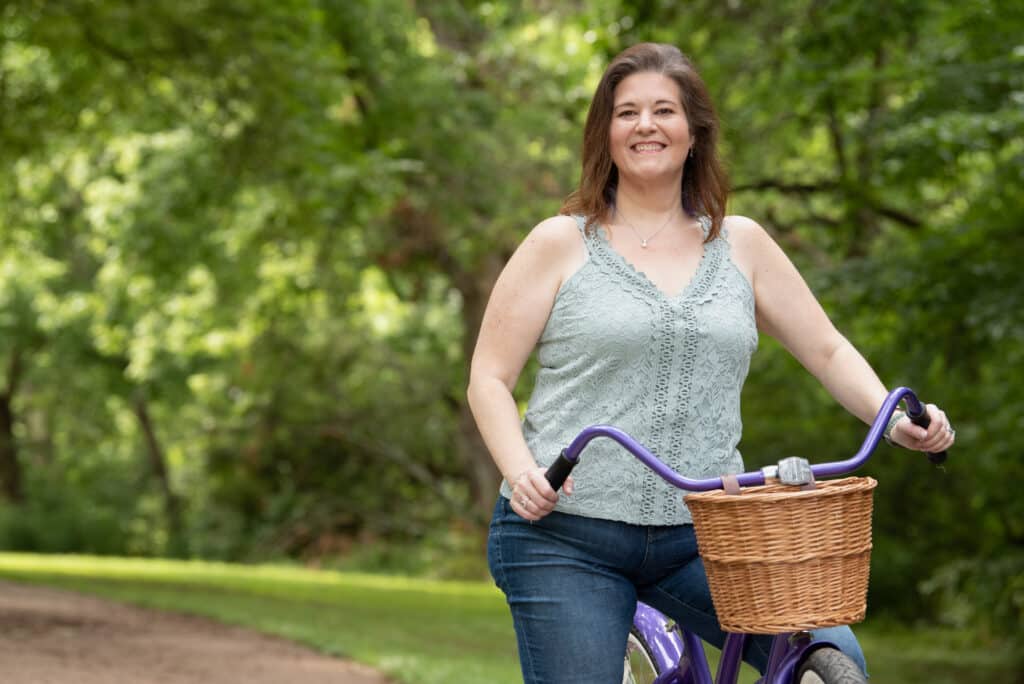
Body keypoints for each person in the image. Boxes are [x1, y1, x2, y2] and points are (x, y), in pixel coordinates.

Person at [467, 42, 955, 684]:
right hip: (566, 535)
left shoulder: (743, 244)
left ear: (694, 132)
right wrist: (522, 469)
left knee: (833, 658)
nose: (646, 125)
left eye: (664, 110)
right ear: (605, 135)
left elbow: (828, 349)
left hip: (708, 533)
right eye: (627, 113)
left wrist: (893, 421)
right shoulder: (561, 242)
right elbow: (489, 378)